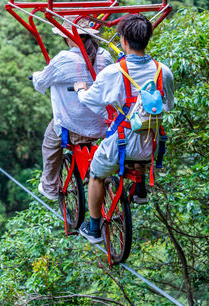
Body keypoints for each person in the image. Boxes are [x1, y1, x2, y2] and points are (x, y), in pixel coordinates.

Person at [73, 13, 174, 243]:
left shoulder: (113, 73)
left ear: (124, 41)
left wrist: (80, 89)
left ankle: (94, 228)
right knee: (138, 144)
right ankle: (139, 189)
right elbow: (168, 105)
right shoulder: (163, 71)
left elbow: (89, 100)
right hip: (152, 146)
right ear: (147, 39)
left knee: (96, 174)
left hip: (122, 144)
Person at [32, 17, 113, 201]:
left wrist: (35, 76)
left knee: (50, 142)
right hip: (102, 124)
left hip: (73, 123)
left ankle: (50, 186)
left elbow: (42, 80)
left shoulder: (64, 59)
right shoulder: (105, 56)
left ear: (68, 38)